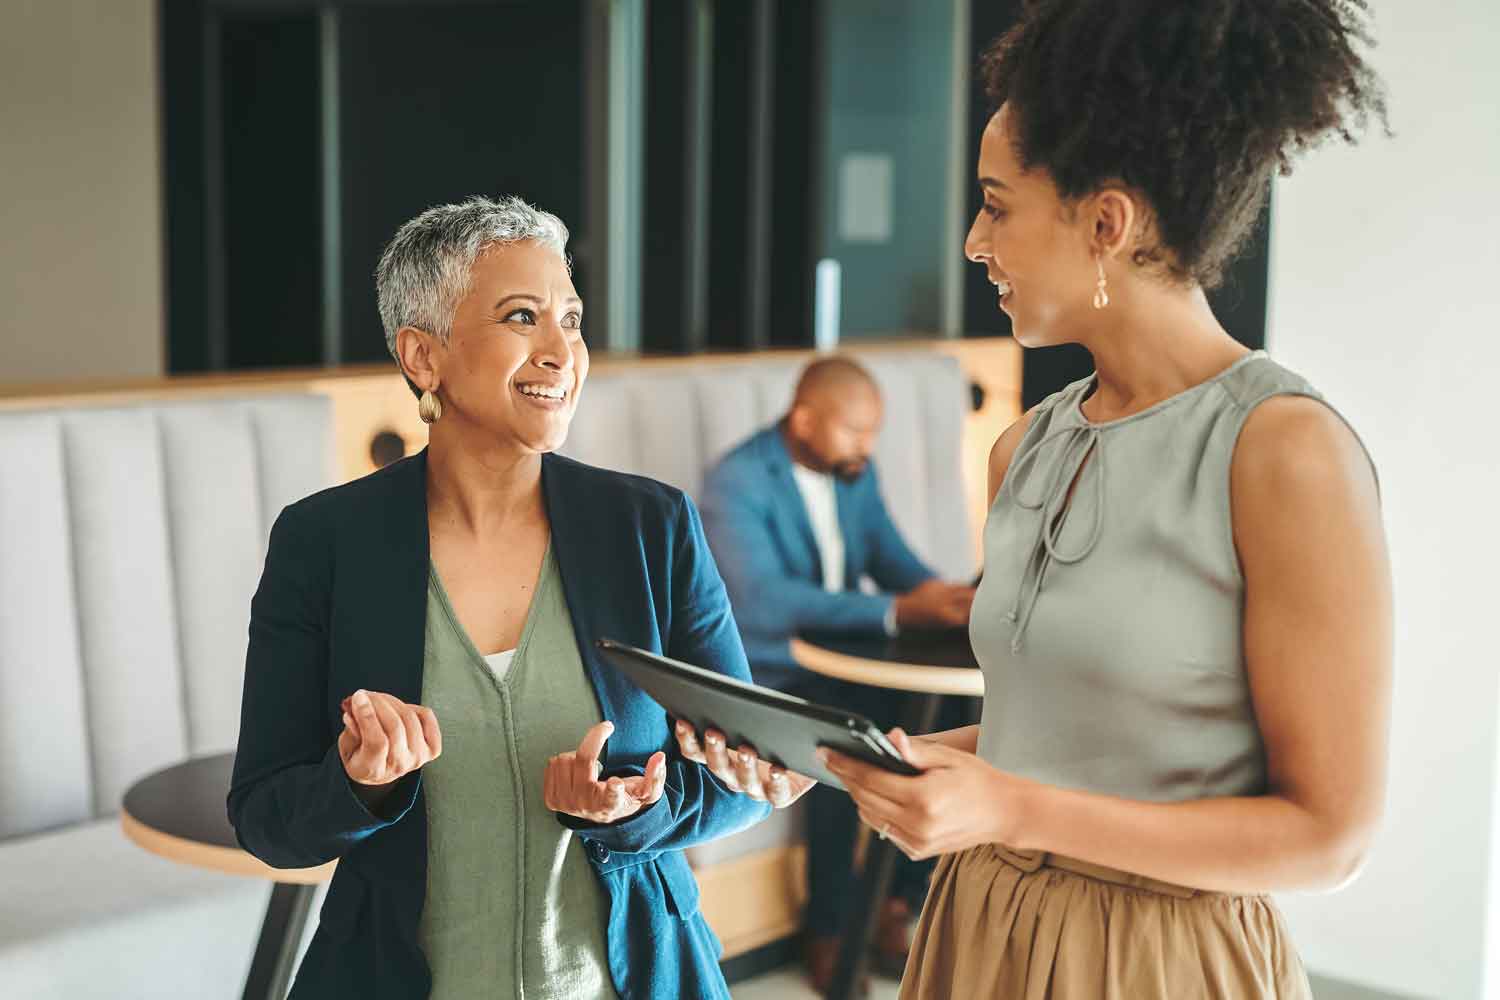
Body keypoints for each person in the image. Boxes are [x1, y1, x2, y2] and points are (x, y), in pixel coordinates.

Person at [820, 2, 1393, 997]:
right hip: (978, 929)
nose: (970, 241)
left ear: (1107, 222)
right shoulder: (1023, 450)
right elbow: (1046, 735)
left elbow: (1328, 836)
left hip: (1161, 961)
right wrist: (877, 762)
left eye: (996, 205)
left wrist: (1010, 809)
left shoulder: (1285, 452)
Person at [227, 195, 810, 1000]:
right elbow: (265, 819)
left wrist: (629, 812)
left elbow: (736, 775)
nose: (560, 351)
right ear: (423, 357)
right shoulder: (322, 543)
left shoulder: (651, 527)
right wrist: (358, 781)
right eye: (521, 317)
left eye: (570, 320)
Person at [698, 357, 975, 991]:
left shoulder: (853, 472)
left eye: (874, 432)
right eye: (855, 431)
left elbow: (887, 553)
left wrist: (945, 597)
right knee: (831, 743)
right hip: (772, 667)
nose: (867, 447)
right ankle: (826, 929)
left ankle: (895, 903)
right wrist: (901, 610)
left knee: (949, 716)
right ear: (804, 419)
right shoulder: (737, 482)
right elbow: (764, 601)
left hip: (846, 659)